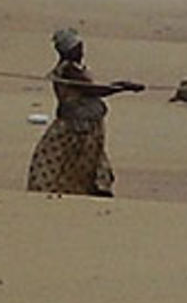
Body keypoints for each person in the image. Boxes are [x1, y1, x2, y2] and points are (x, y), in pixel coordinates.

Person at [27, 28, 144, 197]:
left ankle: (94, 189)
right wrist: (123, 87)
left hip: (87, 124)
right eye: (77, 47)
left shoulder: (76, 68)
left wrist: (121, 86)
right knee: (59, 160)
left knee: (86, 160)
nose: (81, 50)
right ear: (67, 51)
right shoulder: (68, 70)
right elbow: (92, 90)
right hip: (74, 126)